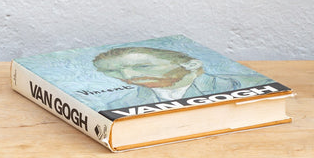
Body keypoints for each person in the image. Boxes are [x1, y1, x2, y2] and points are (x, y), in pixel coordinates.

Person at [91, 43, 239, 108]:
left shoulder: (235, 85)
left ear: (191, 64)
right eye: (111, 71)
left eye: (143, 66)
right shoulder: (120, 105)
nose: (127, 75)